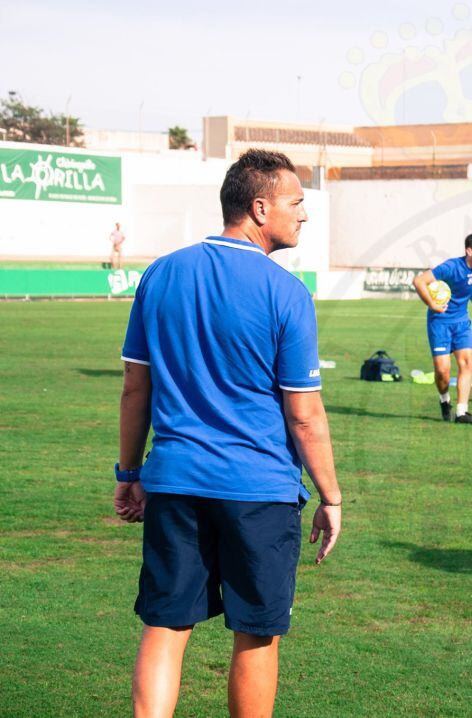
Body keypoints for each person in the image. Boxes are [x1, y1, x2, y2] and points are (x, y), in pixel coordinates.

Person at [114, 149, 342, 716]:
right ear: (260, 208)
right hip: (258, 490)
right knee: (257, 634)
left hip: (174, 481)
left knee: (166, 627)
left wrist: (128, 473)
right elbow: (305, 415)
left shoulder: (161, 273)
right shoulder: (286, 292)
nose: (304, 215)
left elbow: (134, 390)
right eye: (296, 203)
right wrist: (332, 497)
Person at [413, 233, 472, 424]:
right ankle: (445, 400)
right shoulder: (451, 267)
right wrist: (432, 304)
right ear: (469, 251)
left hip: (462, 323)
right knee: (443, 372)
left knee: (466, 362)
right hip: (440, 322)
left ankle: (462, 412)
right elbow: (419, 281)